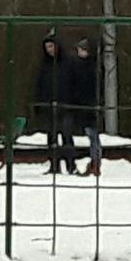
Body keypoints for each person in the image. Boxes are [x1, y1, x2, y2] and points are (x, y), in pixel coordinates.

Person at [32, 33, 72, 175]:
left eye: (51, 46)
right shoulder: (44, 65)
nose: (49, 50)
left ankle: (70, 165)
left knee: (67, 135)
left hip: (66, 105)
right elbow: (39, 85)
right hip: (48, 106)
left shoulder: (68, 63)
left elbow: (73, 83)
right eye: (47, 47)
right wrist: (38, 103)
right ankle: (54, 165)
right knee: (52, 137)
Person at [64, 35, 102, 175]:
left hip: (88, 105)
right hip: (81, 104)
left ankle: (95, 162)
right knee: (90, 134)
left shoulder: (91, 67)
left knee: (92, 135)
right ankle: (94, 162)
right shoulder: (78, 66)